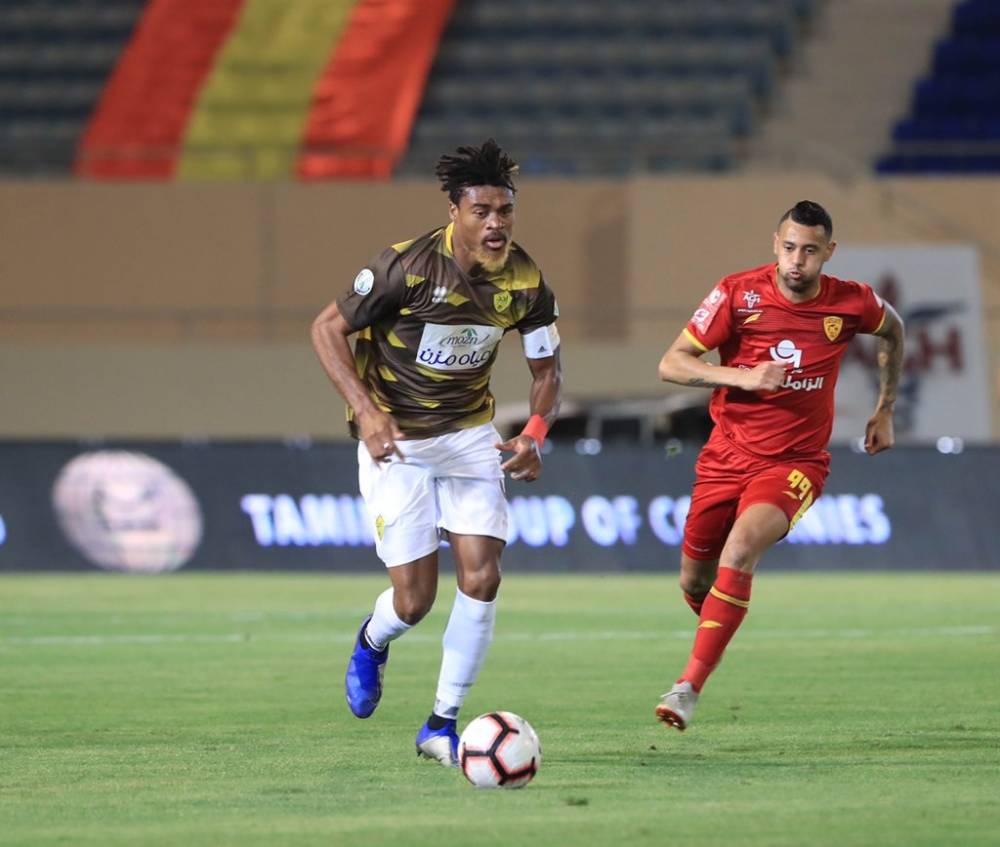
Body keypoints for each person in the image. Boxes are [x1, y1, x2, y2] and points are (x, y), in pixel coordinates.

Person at [310, 139, 562, 765]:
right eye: (482, 211)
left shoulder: (527, 281)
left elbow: (548, 371)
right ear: (455, 211)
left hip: (470, 437)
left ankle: (440, 723)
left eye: (505, 210)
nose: (496, 223)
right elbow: (326, 329)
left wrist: (534, 432)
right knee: (414, 601)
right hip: (397, 442)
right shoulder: (406, 267)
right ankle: (374, 640)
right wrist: (368, 411)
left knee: (483, 576)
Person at [655, 200, 905, 731]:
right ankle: (719, 627)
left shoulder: (851, 302)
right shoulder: (737, 294)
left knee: (741, 548)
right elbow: (671, 363)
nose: (797, 260)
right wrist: (742, 377)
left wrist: (885, 408)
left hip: (796, 463)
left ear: (829, 252)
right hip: (725, 457)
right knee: (695, 581)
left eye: (810, 251)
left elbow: (894, 330)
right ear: (775, 243)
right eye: (789, 248)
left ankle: (686, 688)